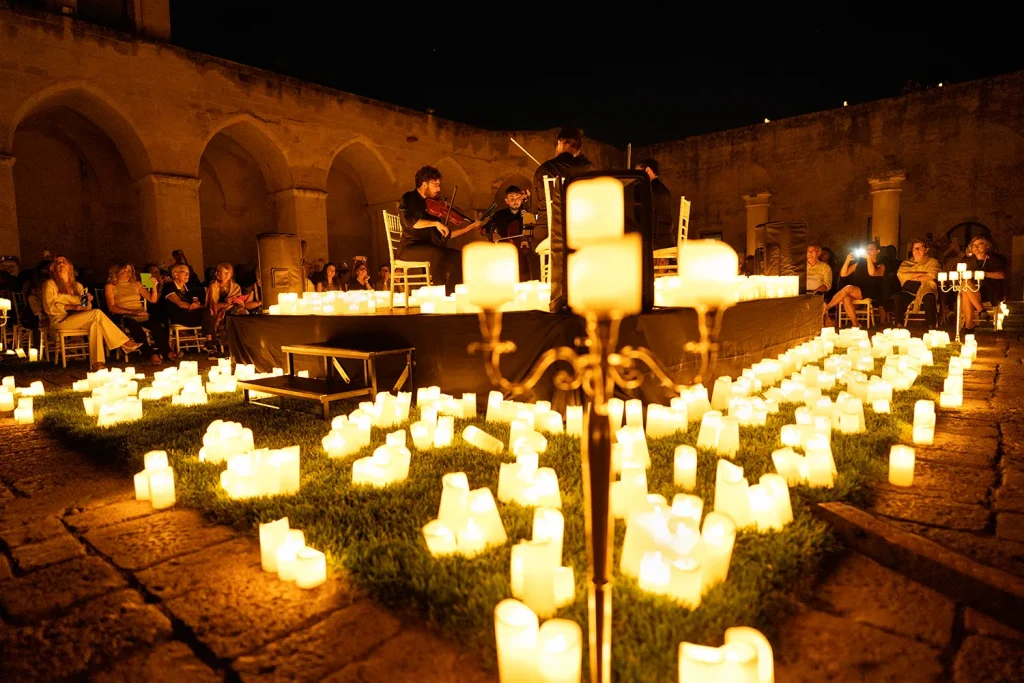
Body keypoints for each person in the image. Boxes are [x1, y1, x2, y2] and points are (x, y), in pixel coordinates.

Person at [531, 128, 594, 311]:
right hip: (581, 233)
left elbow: (535, 208)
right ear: (578, 150)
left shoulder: (544, 169)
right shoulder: (589, 169)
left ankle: (544, 294)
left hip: (549, 234)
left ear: (559, 144)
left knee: (534, 242)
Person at [42, 256, 140, 370]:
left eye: (63, 262)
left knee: (96, 323)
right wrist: (73, 306)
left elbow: (85, 308)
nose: (61, 264)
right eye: (57, 262)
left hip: (78, 318)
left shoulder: (78, 286)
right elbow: (49, 306)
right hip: (60, 320)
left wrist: (87, 301)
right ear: (53, 268)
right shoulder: (50, 284)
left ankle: (97, 363)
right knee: (97, 314)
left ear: (69, 266)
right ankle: (124, 342)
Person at [397, 166, 484, 296]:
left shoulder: (433, 205)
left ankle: (449, 291)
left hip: (431, 248)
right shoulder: (409, 198)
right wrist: (435, 223)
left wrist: (468, 227)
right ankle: (439, 293)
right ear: (425, 184)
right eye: (436, 184)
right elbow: (410, 222)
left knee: (462, 257)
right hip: (409, 248)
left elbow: (446, 235)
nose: (439, 188)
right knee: (436, 254)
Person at [104, 262, 172, 365]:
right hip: (123, 314)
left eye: (130, 270)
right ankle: (151, 354)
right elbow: (112, 307)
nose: (127, 272)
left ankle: (167, 352)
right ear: (117, 271)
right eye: (125, 270)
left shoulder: (136, 284)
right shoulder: (111, 286)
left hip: (140, 313)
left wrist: (154, 288)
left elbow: (152, 300)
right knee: (135, 328)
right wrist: (132, 312)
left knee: (156, 325)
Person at [823, 241, 886, 328]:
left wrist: (868, 259)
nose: (868, 251)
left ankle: (826, 308)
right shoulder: (859, 264)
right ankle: (855, 323)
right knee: (846, 297)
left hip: (870, 290)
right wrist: (847, 260)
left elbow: (872, 273)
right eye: (867, 249)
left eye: (871, 249)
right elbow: (843, 274)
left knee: (848, 288)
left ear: (878, 251)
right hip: (856, 290)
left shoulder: (880, 265)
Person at [486, 185, 535, 280]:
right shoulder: (499, 215)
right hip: (505, 252)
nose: (515, 201)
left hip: (525, 252)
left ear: (522, 199)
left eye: (518, 198)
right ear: (506, 201)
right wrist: (493, 233)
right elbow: (488, 228)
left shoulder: (528, 212)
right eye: (511, 198)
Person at [961, 235, 1007, 332]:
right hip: (973, 288)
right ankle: (981, 311)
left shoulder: (995, 258)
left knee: (965, 290)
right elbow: (961, 274)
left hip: (990, 290)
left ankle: (969, 325)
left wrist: (983, 274)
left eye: (980, 244)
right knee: (965, 285)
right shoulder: (967, 259)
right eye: (974, 245)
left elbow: (1001, 275)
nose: (976, 247)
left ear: (987, 246)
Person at [896, 239, 941, 327]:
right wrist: (923, 274)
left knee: (929, 297)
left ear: (926, 250)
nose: (916, 251)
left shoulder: (932, 262)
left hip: (926, 286)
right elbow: (900, 274)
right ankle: (898, 323)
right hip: (909, 288)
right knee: (899, 297)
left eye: (919, 248)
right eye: (914, 249)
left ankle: (930, 324)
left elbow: (932, 275)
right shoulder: (906, 263)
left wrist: (913, 277)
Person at [635, 158, 674, 251]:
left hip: (657, 241)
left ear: (647, 170)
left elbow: (646, 212)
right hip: (666, 238)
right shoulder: (662, 188)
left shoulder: (652, 189)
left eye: (638, 173)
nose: (636, 179)